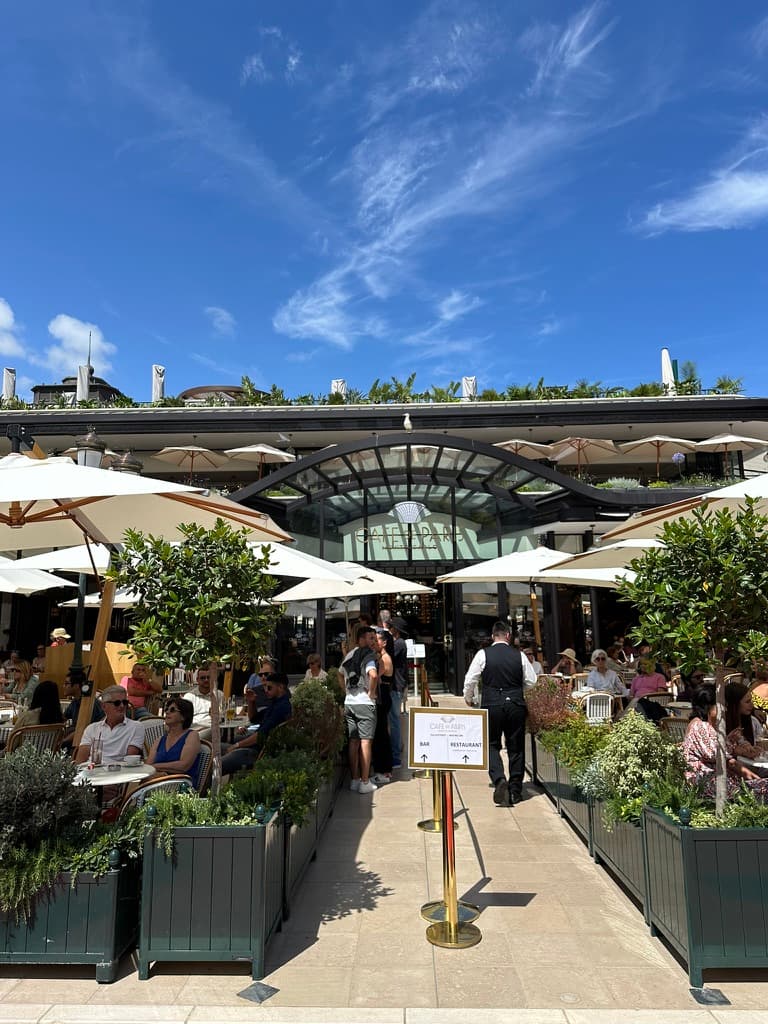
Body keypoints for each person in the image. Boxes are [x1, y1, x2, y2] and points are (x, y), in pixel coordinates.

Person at [463, 621, 536, 807]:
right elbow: (532, 681)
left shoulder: (483, 654)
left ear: (493, 636)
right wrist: (517, 691)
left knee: (491, 744)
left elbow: (470, 678)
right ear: (508, 636)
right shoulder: (519, 655)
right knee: (516, 747)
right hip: (515, 704)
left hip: (492, 703)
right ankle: (515, 791)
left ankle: (498, 779)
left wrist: (468, 697)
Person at [681, 684, 768, 801]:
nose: (725, 709)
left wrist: (730, 741)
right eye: (720, 706)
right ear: (708, 707)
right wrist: (754, 778)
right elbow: (726, 760)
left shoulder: (705, 725)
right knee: (761, 788)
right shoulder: (700, 726)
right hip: (706, 783)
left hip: (714, 779)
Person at [221, 673, 292, 775]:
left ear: (280, 687)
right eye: (265, 687)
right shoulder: (275, 703)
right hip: (256, 746)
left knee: (217, 764)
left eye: (269, 687)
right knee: (217, 747)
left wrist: (237, 746)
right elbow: (254, 719)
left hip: (258, 753)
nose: (266, 690)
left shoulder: (282, 707)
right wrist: (251, 702)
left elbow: (260, 736)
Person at [341, 625, 379, 794]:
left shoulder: (349, 655)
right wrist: (371, 693)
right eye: (370, 638)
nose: (373, 642)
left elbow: (339, 674)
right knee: (365, 742)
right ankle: (365, 782)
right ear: (362, 639)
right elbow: (374, 675)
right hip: (364, 703)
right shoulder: (368, 656)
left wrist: (346, 692)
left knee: (353, 741)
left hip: (349, 702)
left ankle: (355, 780)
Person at [74, 686, 145, 765]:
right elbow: (80, 761)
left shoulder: (136, 727)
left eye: (125, 702)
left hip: (118, 772)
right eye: (117, 703)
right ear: (104, 706)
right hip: (92, 772)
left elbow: (129, 761)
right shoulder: (92, 729)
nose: (122, 706)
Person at [146, 697, 202, 787]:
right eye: (166, 709)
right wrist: (158, 775)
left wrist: (156, 767)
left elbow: (183, 766)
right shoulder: (159, 740)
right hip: (159, 784)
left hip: (182, 787)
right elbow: (147, 768)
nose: (167, 712)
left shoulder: (191, 736)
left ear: (183, 716)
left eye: (172, 710)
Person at [371, 629, 394, 784]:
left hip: (383, 696)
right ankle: (384, 769)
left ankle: (384, 770)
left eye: (377, 640)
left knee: (381, 733)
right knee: (381, 732)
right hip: (384, 695)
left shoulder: (384, 659)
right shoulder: (382, 657)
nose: (374, 642)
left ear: (384, 642)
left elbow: (376, 677)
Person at [61, 672, 105, 748]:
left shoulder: (91, 704)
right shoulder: (74, 702)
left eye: (66, 683)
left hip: (91, 741)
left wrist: (64, 740)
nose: (63, 686)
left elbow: (84, 730)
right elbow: (63, 719)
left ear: (77, 686)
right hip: (76, 736)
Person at [388, 617, 409, 767]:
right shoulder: (398, 643)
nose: (389, 629)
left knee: (394, 721)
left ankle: (395, 756)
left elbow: (388, 657)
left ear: (396, 629)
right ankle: (396, 751)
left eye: (391, 627)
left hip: (396, 686)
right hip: (396, 686)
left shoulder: (399, 644)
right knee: (394, 721)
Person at [725, 681, 765, 760]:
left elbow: (758, 746)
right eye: (747, 702)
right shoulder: (723, 725)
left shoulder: (753, 721)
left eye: (751, 700)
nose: (752, 705)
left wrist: (756, 750)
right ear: (735, 704)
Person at [184, 667, 225, 740]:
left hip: (214, 728)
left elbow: (224, 715)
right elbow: (184, 719)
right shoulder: (189, 696)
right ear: (197, 680)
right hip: (195, 731)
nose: (206, 680)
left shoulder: (219, 695)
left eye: (208, 677)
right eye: (203, 678)